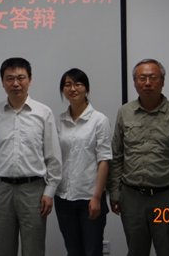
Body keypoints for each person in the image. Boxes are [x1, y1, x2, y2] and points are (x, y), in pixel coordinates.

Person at [108, 58, 169, 256]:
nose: (147, 83)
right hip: (132, 198)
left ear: (162, 81)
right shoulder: (124, 112)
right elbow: (117, 155)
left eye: (153, 78)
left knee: (168, 251)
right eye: (142, 78)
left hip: (166, 198)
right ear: (134, 83)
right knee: (136, 251)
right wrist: (114, 193)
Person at [0, 57, 62, 256]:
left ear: (29, 80)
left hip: (33, 190)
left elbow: (53, 156)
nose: (15, 83)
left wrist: (49, 191)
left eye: (20, 78)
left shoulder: (43, 113)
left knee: (34, 249)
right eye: (9, 78)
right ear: (2, 82)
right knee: (2, 249)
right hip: (0, 190)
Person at [55, 68, 111, 256]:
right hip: (63, 197)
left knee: (92, 251)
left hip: (89, 197)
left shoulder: (99, 120)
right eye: (68, 85)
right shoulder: (59, 121)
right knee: (73, 251)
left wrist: (97, 197)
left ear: (86, 88)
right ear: (63, 90)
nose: (73, 89)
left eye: (78, 84)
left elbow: (104, 160)